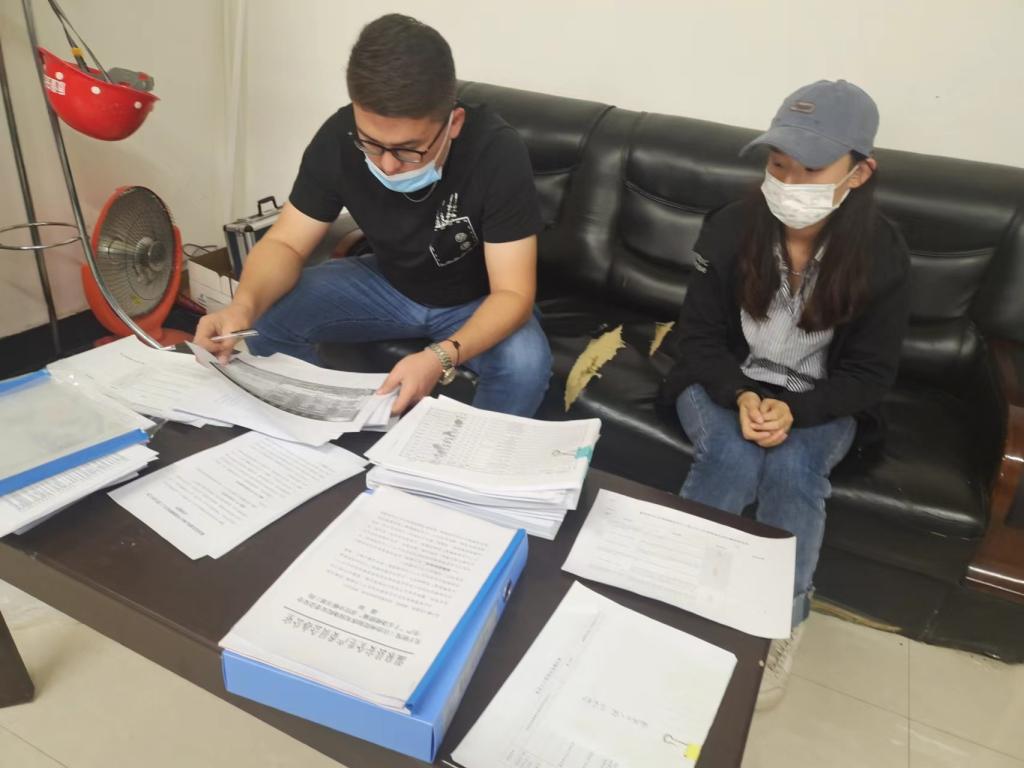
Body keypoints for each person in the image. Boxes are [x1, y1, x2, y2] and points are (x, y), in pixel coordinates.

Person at [662, 80, 911, 708]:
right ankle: (677, 590)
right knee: (730, 455)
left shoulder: (882, 254)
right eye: (778, 165)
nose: (790, 183)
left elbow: (871, 374)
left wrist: (795, 410)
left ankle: (780, 620)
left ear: (859, 172)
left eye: (812, 170)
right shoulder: (730, 227)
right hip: (725, 378)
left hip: (821, 396)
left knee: (796, 471)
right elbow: (697, 339)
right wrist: (740, 395)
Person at [195, 14, 552, 416]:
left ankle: (470, 455)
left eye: (408, 150)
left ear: (453, 124)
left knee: (524, 365)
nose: (387, 165)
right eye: (371, 143)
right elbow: (286, 242)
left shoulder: (496, 152)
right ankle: (316, 428)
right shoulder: (338, 137)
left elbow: (513, 294)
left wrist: (439, 357)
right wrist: (242, 306)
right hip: (389, 285)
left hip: (477, 300)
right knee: (269, 316)